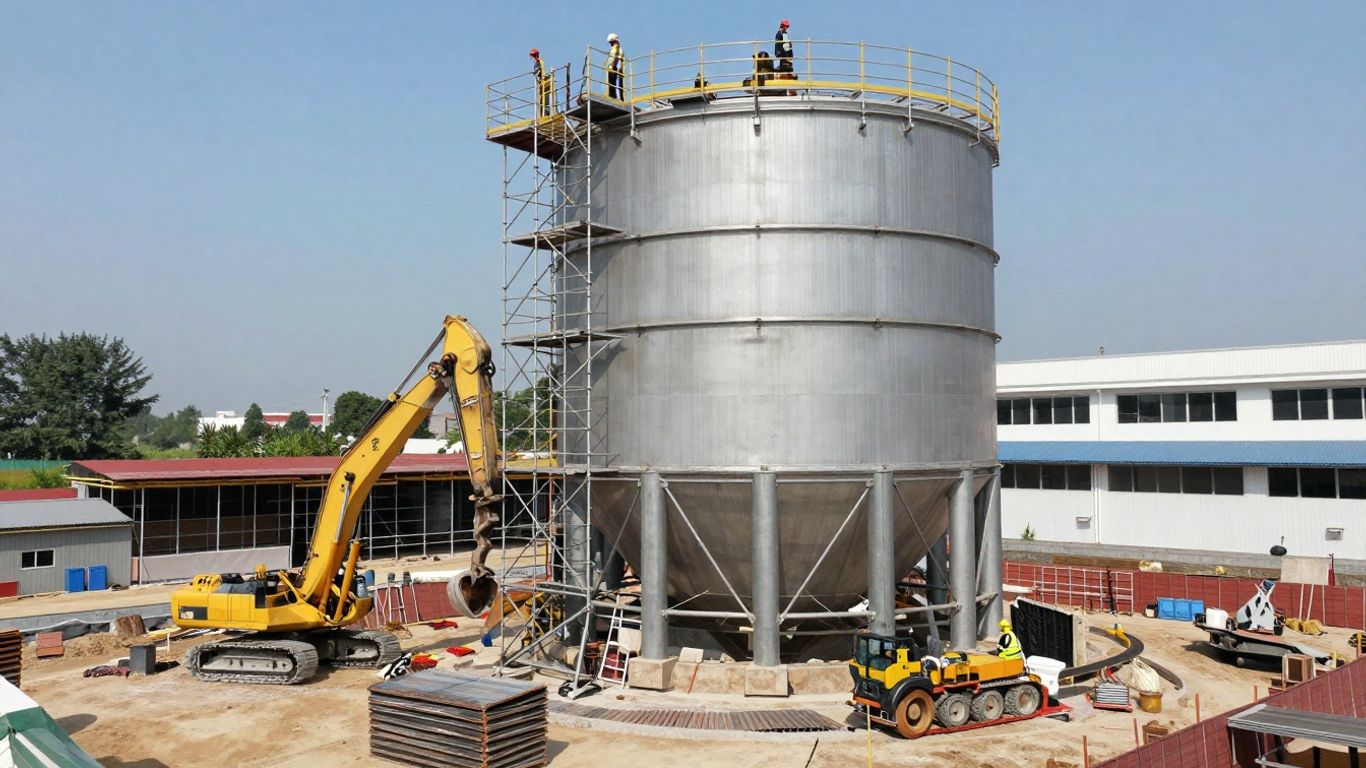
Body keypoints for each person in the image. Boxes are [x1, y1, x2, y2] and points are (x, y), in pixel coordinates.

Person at [530, 48, 552, 117]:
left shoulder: (539, 62)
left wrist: (535, 73)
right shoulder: (539, 61)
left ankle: (545, 115)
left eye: (533, 55)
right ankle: (544, 114)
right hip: (543, 82)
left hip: (544, 82)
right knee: (543, 100)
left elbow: (539, 71)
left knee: (544, 100)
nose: (533, 57)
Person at [605, 33, 624, 100]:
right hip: (611, 69)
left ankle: (618, 98)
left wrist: (613, 66)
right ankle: (612, 96)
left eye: (611, 42)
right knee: (611, 84)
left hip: (615, 68)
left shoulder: (618, 48)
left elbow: (617, 58)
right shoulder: (613, 49)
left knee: (616, 84)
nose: (610, 43)